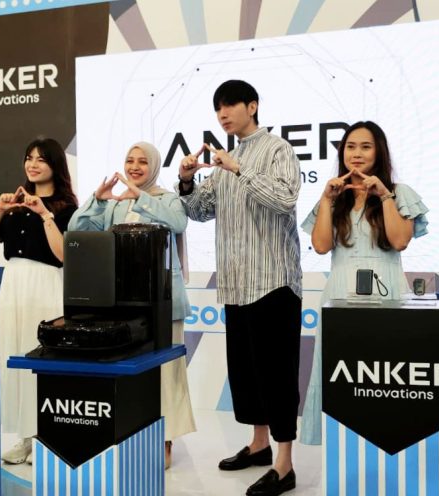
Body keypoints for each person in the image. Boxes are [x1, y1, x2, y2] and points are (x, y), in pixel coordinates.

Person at [177, 80, 302, 496]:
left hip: (273, 280)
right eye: (218, 108)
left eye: (230, 105)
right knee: (247, 373)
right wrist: (187, 182)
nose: (223, 114)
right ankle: (259, 444)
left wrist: (239, 169)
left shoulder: (278, 149)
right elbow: (200, 212)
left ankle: (285, 464)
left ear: (252, 106)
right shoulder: (222, 162)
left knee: (277, 374)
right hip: (235, 281)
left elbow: (285, 199)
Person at [68, 142, 196, 469]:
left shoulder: (167, 198)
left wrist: (140, 196)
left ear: (153, 166)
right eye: (130, 161)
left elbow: (178, 223)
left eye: (142, 162)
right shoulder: (115, 204)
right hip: (124, 302)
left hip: (163, 302)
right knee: (132, 375)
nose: (135, 167)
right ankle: (135, 434)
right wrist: (97, 200)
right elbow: (76, 230)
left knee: (167, 375)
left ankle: (166, 439)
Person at [300, 121, 429, 445]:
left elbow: (399, 240)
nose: (356, 153)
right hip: (338, 295)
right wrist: (327, 200)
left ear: (379, 152)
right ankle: (342, 454)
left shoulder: (399, 192)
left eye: (365, 146)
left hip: (387, 291)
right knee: (339, 375)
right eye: (350, 146)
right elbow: (321, 245)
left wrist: (384, 195)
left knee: (384, 375)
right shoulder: (335, 196)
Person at [0, 137, 78, 464]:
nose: (32, 165)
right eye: (28, 158)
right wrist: (0, 210)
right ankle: (23, 436)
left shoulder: (67, 208)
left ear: (55, 165)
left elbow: (63, 256)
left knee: (42, 357)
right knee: (15, 353)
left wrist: (45, 215)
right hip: (13, 284)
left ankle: (45, 436)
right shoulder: (15, 204)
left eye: (41, 159)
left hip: (45, 283)